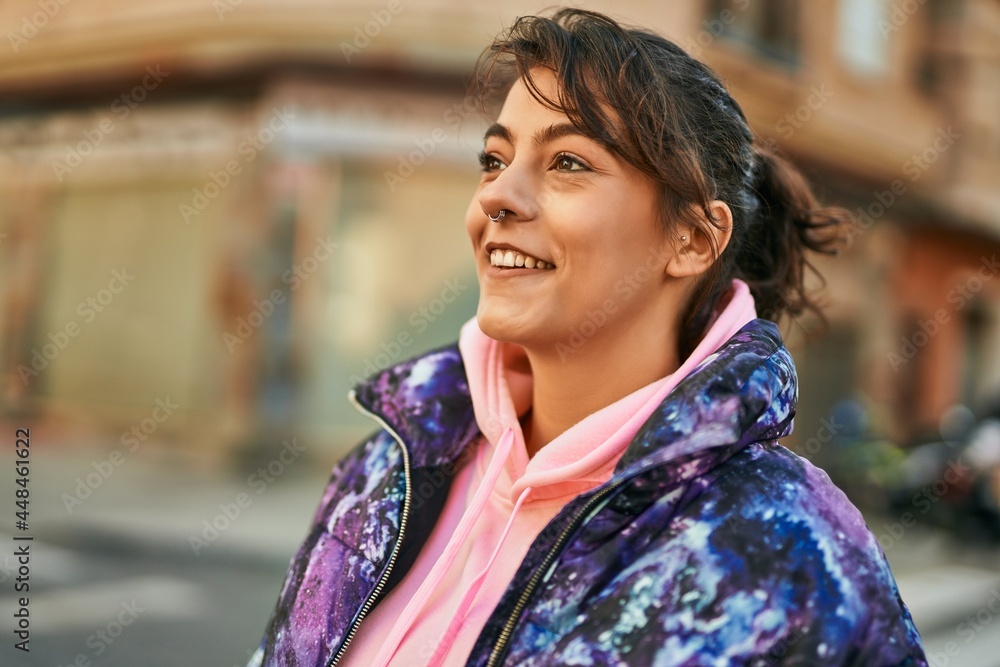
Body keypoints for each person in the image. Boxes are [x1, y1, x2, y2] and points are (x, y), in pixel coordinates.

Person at [248, 9, 927, 666]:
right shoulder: (387, 465)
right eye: (494, 158)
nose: (496, 197)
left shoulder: (790, 550)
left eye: (568, 162)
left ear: (692, 238)